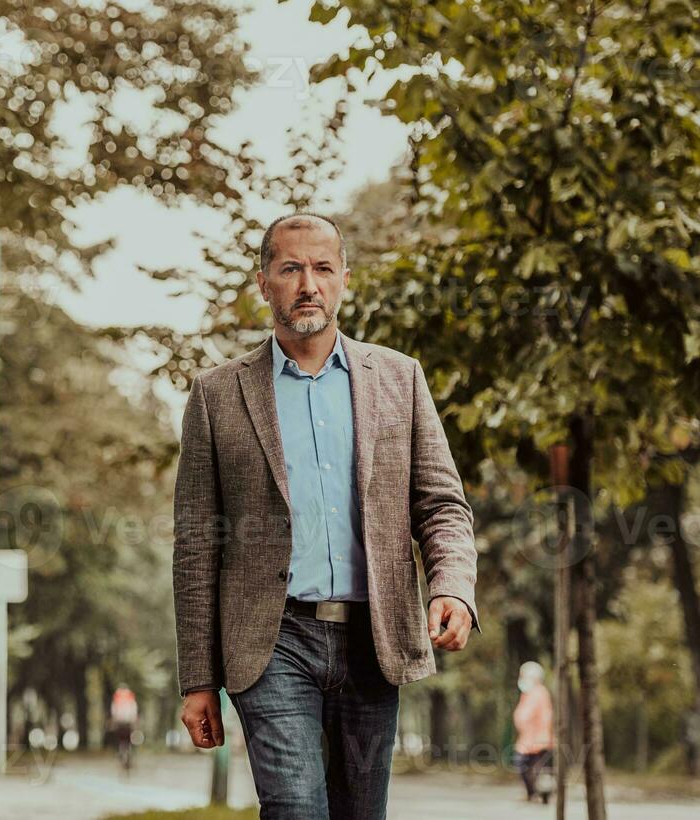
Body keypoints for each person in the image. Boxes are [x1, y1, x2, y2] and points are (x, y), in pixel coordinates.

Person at [172, 212, 481, 820]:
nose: (307, 283)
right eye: (290, 268)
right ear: (264, 282)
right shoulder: (217, 395)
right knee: (295, 809)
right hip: (272, 641)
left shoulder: (399, 378)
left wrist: (453, 586)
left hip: (374, 638)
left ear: (344, 278)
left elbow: (442, 504)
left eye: (321, 268)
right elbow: (196, 545)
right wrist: (197, 678)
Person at [512, 661, 555, 803]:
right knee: (530, 767)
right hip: (529, 738)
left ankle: (536, 794)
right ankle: (534, 794)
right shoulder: (530, 693)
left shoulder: (538, 693)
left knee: (530, 767)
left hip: (537, 739)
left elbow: (535, 715)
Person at [108, 684, 139, 773]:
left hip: (119, 722)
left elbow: (113, 710)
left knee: (119, 739)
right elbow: (134, 709)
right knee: (130, 740)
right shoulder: (130, 696)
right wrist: (135, 721)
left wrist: (114, 721)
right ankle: (130, 755)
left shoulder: (117, 696)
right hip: (129, 722)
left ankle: (120, 754)